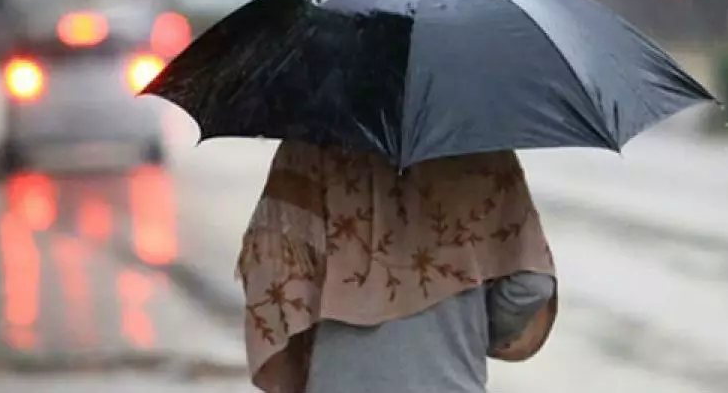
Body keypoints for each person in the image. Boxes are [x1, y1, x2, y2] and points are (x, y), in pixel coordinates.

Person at [237, 141, 558, 393]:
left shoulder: (311, 146)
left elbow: (269, 276)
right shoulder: (484, 152)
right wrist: (470, 331)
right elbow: (531, 285)